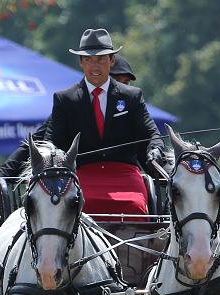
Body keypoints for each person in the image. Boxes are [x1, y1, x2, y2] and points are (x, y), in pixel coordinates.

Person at [49, 29, 165, 219]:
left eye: (101, 59)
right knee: (76, 206)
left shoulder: (131, 96)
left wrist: (155, 149)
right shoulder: (65, 99)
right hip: (82, 174)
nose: (95, 67)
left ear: (112, 60)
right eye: (89, 60)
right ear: (80, 62)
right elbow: (51, 141)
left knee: (135, 206)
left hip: (125, 174)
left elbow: (151, 134)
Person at [0, 54, 140, 180]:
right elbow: (36, 144)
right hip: (81, 181)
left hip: (125, 177)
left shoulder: (132, 103)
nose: (120, 87)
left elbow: (149, 142)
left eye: (126, 83)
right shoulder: (72, 107)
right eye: (115, 81)